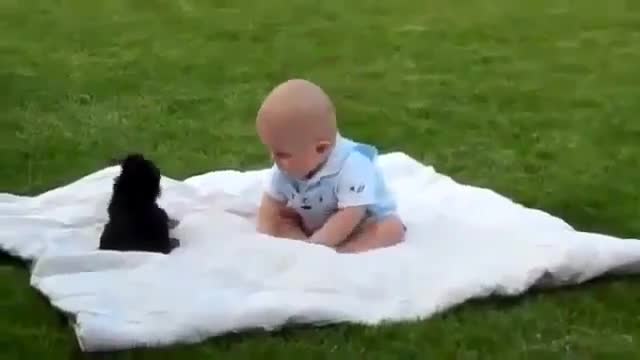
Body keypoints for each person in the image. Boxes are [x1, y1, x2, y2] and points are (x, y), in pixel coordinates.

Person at [255, 78, 405, 253]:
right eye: (272, 151)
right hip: (315, 223)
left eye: (281, 154)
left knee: (391, 229)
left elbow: (350, 215)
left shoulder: (354, 164)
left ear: (321, 149)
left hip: (360, 221)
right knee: (281, 219)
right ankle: (302, 246)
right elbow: (270, 203)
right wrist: (264, 235)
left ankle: (343, 253)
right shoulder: (285, 167)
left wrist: (318, 247)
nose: (273, 159)